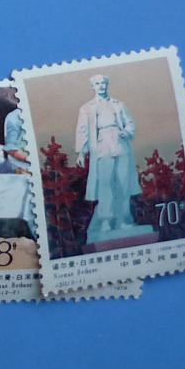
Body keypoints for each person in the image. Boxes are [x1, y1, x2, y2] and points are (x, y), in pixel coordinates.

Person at [74, 74, 144, 243]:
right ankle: (106, 220)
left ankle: (123, 219)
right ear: (93, 86)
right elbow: (82, 130)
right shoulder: (87, 108)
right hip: (101, 144)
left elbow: (130, 123)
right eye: (98, 83)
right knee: (105, 184)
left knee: (123, 183)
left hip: (120, 142)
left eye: (103, 83)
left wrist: (126, 132)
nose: (101, 86)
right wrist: (82, 153)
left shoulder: (119, 104)